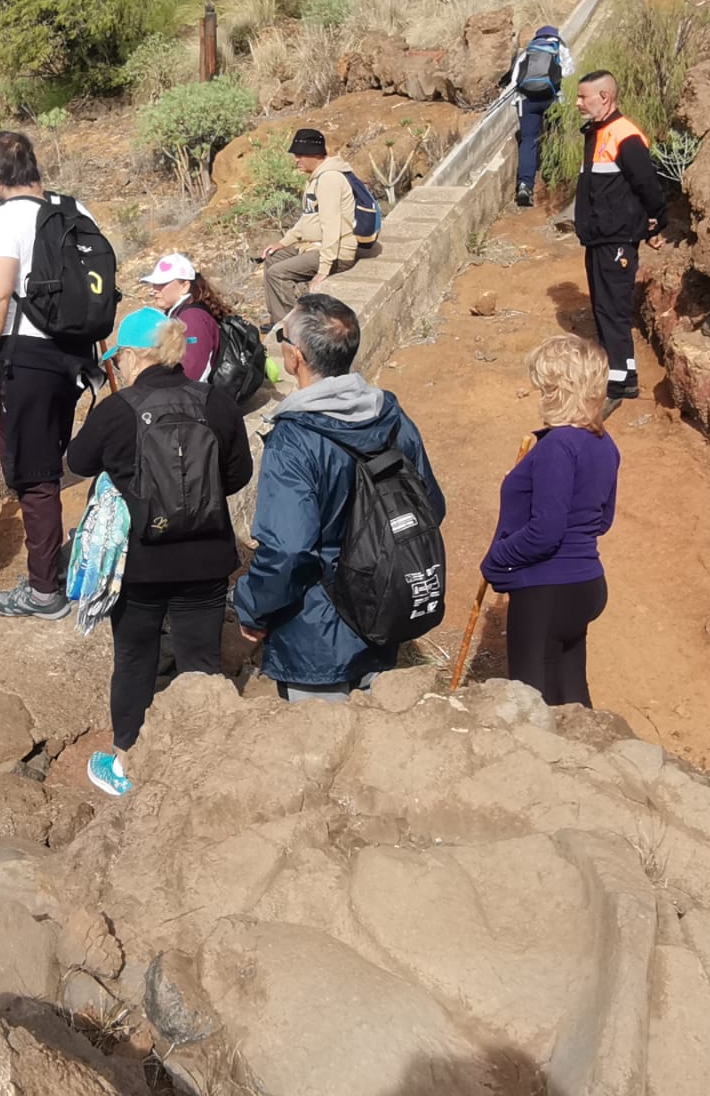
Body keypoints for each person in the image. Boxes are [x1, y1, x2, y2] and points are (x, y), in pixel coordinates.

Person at [68, 308, 253, 796]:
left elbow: (78, 460)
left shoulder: (118, 409)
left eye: (119, 360)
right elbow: (237, 476)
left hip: (140, 563)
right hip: (207, 557)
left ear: (132, 355)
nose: (118, 368)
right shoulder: (217, 403)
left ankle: (126, 761)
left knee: (134, 657)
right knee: (201, 657)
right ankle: (205, 757)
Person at [234, 294, 444, 700]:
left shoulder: (294, 440)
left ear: (295, 355)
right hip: (383, 614)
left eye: (280, 334)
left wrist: (252, 606)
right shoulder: (391, 416)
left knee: (322, 752)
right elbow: (430, 505)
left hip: (316, 638)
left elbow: (289, 551)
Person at [0, 131, 106, 621]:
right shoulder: (76, 208)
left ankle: (45, 590)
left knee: (35, 476)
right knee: (51, 461)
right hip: (73, 353)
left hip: (24, 355)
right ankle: (55, 567)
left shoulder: (4, 219)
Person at [480, 335, 619, 706]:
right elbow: (602, 520)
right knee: (571, 695)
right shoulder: (604, 444)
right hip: (587, 585)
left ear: (559, 390)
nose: (539, 394)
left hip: (547, 592)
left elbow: (546, 532)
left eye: (543, 386)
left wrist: (498, 559)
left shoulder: (557, 447)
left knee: (530, 702)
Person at [573, 72, 667, 417]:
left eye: (583, 98)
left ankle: (616, 385)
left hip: (617, 239)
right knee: (603, 307)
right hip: (599, 238)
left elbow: (649, 185)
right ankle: (623, 375)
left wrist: (657, 220)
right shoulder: (597, 133)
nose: (578, 103)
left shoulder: (624, 135)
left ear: (604, 97)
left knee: (613, 309)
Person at [260, 129, 376, 326]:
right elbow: (308, 219)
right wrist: (283, 242)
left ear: (314, 154)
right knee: (271, 259)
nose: (296, 159)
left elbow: (332, 226)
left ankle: (292, 327)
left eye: (300, 155)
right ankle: (278, 320)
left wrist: (324, 268)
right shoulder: (317, 177)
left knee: (277, 273)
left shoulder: (329, 179)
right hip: (315, 245)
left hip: (336, 251)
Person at [509, 25, 574, 208]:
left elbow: (516, 80)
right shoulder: (560, 50)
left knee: (528, 139)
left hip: (526, 100)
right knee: (555, 135)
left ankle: (524, 185)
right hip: (553, 98)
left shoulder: (528, 52)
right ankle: (553, 177)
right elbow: (569, 74)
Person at [139, 253, 225, 382]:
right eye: (154, 284)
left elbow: (195, 370)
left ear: (184, 286)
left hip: (198, 398)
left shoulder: (192, 318)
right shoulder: (182, 314)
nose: (155, 290)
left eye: (162, 283)